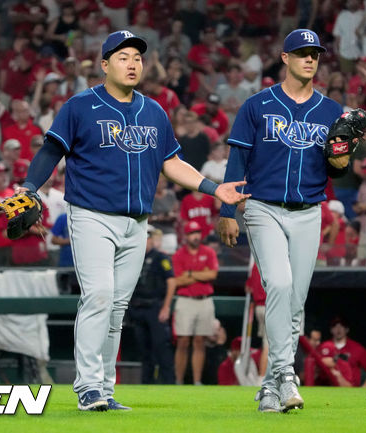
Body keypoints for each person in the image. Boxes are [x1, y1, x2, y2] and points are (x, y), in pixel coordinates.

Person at [17, 31, 248, 412]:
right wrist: (29, 187)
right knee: (99, 297)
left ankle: (104, 388)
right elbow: (51, 150)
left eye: (137, 57)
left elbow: (171, 163)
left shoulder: (153, 111)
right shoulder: (81, 106)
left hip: (137, 222)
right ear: (105, 65)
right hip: (91, 215)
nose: (132, 63)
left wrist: (213, 188)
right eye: (123, 57)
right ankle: (88, 386)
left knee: (117, 307)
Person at [217, 29, 350, 413]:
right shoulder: (257, 105)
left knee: (295, 302)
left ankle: (271, 387)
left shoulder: (330, 111)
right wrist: (228, 211)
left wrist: (342, 162)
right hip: (263, 208)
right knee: (278, 283)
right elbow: (237, 161)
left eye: (315, 54)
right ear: (285, 57)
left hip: (309, 211)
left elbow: (336, 169)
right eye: (302, 53)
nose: (310, 59)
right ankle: (285, 372)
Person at [126, 226, 176, 384]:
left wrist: (166, 307)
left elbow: (171, 281)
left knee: (161, 346)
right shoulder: (132, 258)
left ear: (150, 240)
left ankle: (169, 383)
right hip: (138, 307)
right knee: (143, 349)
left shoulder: (161, 258)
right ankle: (146, 383)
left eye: (146, 238)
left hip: (155, 307)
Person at [172, 221, 219, 385]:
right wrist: (201, 274)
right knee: (183, 341)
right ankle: (179, 381)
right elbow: (177, 280)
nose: (196, 236)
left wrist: (190, 274)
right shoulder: (178, 254)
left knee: (200, 341)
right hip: (186, 301)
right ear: (186, 236)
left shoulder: (209, 252)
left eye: (198, 232)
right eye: (192, 233)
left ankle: (197, 381)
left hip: (204, 300)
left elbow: (212, 275)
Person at [317, 316, 366, 387]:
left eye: (341, 326)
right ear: (331, 330)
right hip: (327, 389)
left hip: (351, 391)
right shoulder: (324, 346)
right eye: (335, 326)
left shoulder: (356, 348)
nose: (338, 329)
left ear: (347, 329)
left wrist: (365, 386)